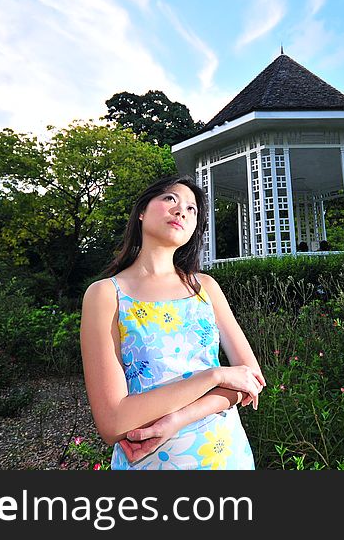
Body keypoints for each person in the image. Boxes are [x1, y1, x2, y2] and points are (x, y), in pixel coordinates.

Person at [80, 173, 265, 469]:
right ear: (141, 211)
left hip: (227, 455)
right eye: (170, 199)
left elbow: (250, 377)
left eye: (192, 209)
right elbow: (113, 422)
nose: (182, 210)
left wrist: (176, 420)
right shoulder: (106, 294)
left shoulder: (205, 288)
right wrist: (215, 376)